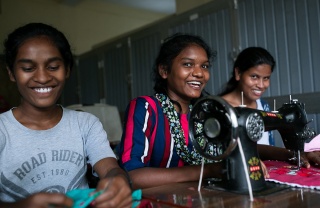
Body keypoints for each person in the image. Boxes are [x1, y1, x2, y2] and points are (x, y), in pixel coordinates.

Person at [0, 23, 132, 208]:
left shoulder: (85, 123)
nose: (43, 77)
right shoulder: (3, 130)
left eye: (53, 66)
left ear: (68, 69)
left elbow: (110, 168)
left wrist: (118, 180)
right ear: (11, 73)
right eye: (28, 68)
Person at [117, 34, 227, 189]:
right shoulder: (147, 108)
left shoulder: (206, 114)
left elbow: (233, 145)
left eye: (204, 66)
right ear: (164, 71)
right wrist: (206, 170)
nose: (199, 73)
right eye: (188, 64)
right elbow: (133, 176)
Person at [219, 47, 320, 167]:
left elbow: (266, 147)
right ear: (238, 73)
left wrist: (298, 153)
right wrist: (287, 154)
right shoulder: (219, 108)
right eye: (254, 77)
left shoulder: (264, 106)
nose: (261, 85)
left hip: (263, 171)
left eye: (266, 78)